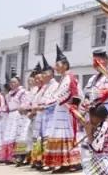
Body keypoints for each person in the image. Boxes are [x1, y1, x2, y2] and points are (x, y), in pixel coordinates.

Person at [43, 45, 81, 173]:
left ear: (65, 65)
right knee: (60, 135)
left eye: (57, 65)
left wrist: (47, 102)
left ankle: (72, 163)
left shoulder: (69, 77)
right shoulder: (64, 78)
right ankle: (64, 163)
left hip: (66, 111)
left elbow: (63, 95)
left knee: (66, 135)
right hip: (60, 111)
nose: (56, 67)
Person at [83, 104, 108, 175]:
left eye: (91, 116)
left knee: (88, 160)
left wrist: (89, 133)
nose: (90, 119)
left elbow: (96, 148)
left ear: (96, 117)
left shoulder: (103, 126)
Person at [1, 68, 26, 164]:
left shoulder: (22, 92)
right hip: (10, 115)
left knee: (17, 134)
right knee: (8, 134)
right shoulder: (8, 94)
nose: (12, 84)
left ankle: (17, 155)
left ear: (19, 82)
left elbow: (25, 103)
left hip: (18, 114)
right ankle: (8, 156)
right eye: (11, 83)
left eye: (14, 82)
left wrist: (21, 109)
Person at [84, 50, 108, 117]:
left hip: (107, 111)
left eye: (99, 61)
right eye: (94, 61)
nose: (96, 64)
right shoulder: (92, 79)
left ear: (106, 61)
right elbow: (87, 94)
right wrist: (86, 101)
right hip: (93, 112)